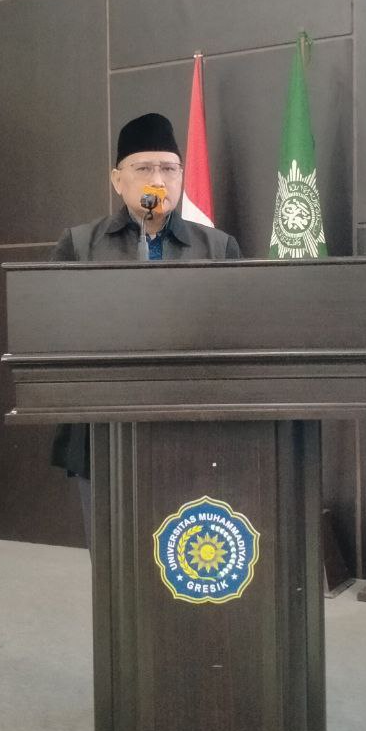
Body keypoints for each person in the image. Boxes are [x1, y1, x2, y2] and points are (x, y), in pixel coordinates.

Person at [50, 112, 243, 544]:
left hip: (192, 426)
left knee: (187, 551)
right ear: (117, 180)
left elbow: (237, 336)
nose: (158, 179)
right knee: (115, 551)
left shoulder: (217, 247)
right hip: (104, 429)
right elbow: (54, 332)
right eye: (144, 168)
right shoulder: (80, 246)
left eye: (169, 169)